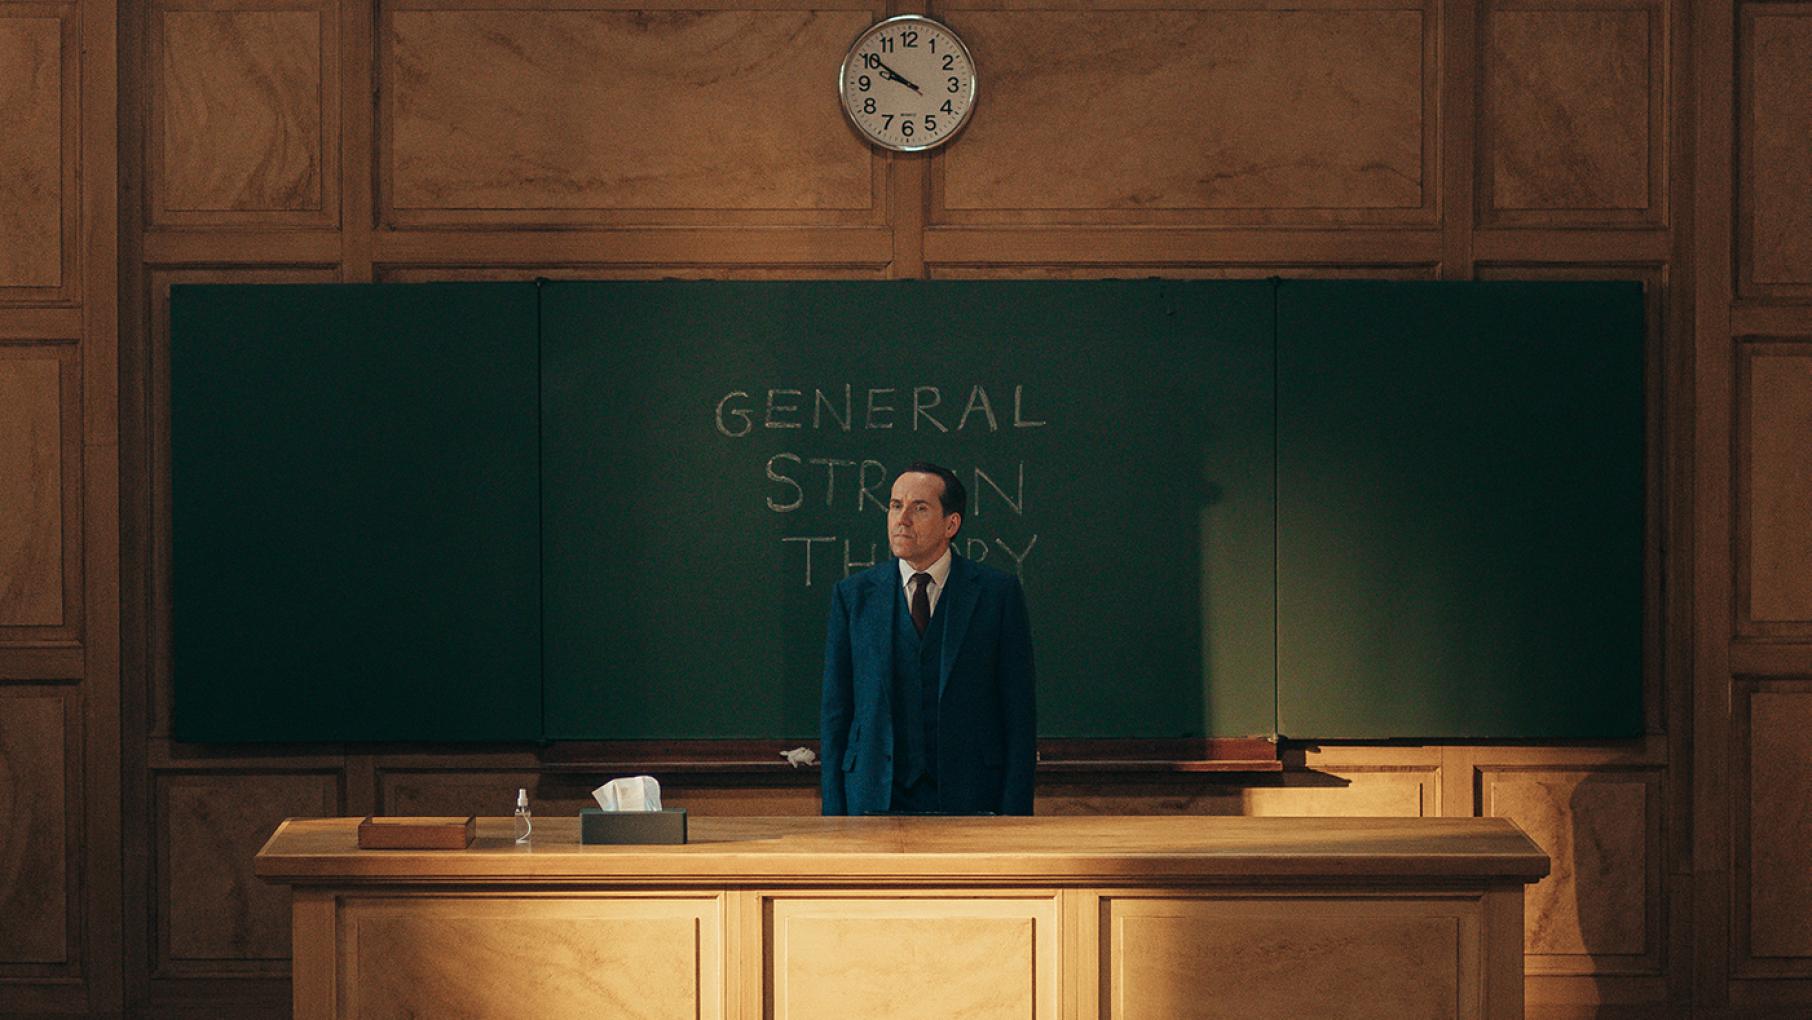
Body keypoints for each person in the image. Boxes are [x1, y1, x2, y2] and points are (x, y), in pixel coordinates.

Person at [820, 461, 1036, 815]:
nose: (901, 519)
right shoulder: (853, 596)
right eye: (895, 505)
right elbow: (836, 712)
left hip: (971, 799)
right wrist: (834, 813)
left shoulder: (997, 595)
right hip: (874, 798)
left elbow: (1019, 716)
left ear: (951, 524)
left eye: (919, 508)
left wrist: (1015, 815)